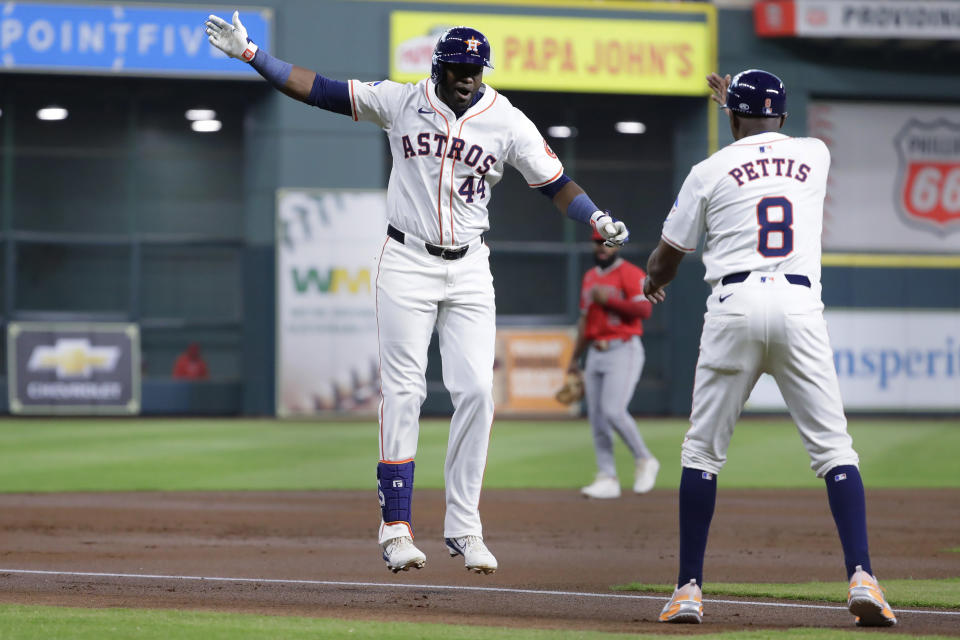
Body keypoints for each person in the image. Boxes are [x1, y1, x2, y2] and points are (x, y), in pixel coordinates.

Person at [206, 13, 629, 575]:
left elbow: (554, 183)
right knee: (405, 391)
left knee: (478, 390)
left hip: (471, 266)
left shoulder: (504, 118)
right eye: (459, 67)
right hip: (406, 259)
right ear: (438, 65)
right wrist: (253, 54)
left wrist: (594, 216)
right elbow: (322, 91)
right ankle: (396, 527)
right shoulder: (401, 101)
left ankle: (465, 528)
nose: (468, 78)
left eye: (476, 70)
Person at [643, 70, 897, 626]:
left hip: (732, 306)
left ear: (730, 117)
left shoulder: (707, 170)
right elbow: (766, 137)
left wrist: (650, 280)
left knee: (702, 453)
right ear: (781, 116)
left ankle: (688, 590)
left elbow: (667, 258)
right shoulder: (815, 153)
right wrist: (743, 102)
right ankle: (863, 578)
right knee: (834, 451)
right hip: (799, 307)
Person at [566, 229, 658, 499]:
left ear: (617, 245)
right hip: (595, 351)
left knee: (613, 411)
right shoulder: (590, 277)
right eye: (597, 242)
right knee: (597, 418)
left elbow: (645, 310)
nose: (602, 247)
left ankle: (645, 459)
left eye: (607, 243)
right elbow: (585, 321)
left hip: (623, 348)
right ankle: (607, 476)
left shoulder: (630, 273)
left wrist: (612, 301)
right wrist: (574, 358)